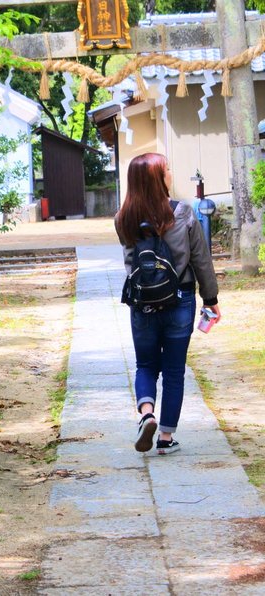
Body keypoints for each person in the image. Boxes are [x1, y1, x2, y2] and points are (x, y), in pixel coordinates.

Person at [115, 153, 221, 455]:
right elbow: (201, 259)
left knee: (146, 365)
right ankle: (165, 438)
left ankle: (146, 413)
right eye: (167, 170)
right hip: (180, 300)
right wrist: (210, 299)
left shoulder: (123, 218)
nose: (171, 174)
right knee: (174, 371)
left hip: (143, 304)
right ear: (157, 179)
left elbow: (129, 263)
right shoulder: (184, 213)